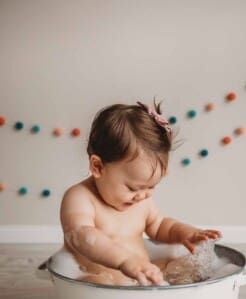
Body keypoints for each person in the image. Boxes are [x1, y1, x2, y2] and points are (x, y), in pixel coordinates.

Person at [60, 99, 222, 286]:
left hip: (142, 275)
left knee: (182, 266)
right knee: (94, 281)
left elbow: (161, 226)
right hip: (102, 281)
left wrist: (186, 233)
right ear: (98, 167)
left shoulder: (140, 201)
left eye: (151, 186)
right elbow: (82, 237)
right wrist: (124, 261)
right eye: (133, 188)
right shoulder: (80, 198)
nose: (143, 195)